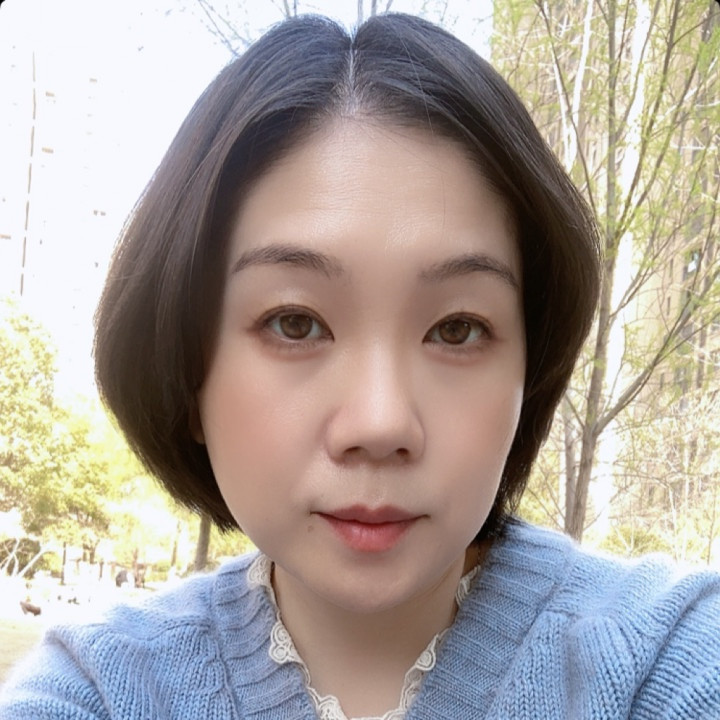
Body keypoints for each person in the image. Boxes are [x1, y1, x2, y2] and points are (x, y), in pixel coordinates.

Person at [1, 12, 718, 720]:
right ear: (187, 370)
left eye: (457, 329)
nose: (380, 424)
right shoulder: (101, 690)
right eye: (295, 323)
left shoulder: (664, 660)